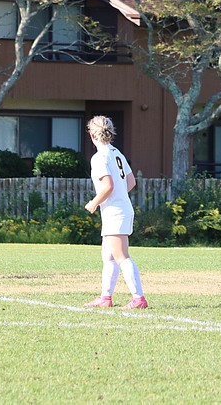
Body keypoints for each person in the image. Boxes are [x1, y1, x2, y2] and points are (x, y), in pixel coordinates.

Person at [83, 115, 147, 310]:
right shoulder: (116, 153)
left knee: (121, 256)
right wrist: (117, 196)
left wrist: (94, 202)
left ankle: (138, 299)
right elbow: (131, 182)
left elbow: (108, 186)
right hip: (121, 208)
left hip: (115, 212)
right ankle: (105, 297)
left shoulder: (99, 157)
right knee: (108, 256)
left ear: (92, 134)